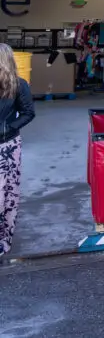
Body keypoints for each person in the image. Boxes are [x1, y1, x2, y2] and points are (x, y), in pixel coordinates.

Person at [0, 44, 35, 261]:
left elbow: (28, 113)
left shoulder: (19, 85)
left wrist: (9, 127)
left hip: (7, 147)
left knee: (7, 195)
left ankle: (3, 240)